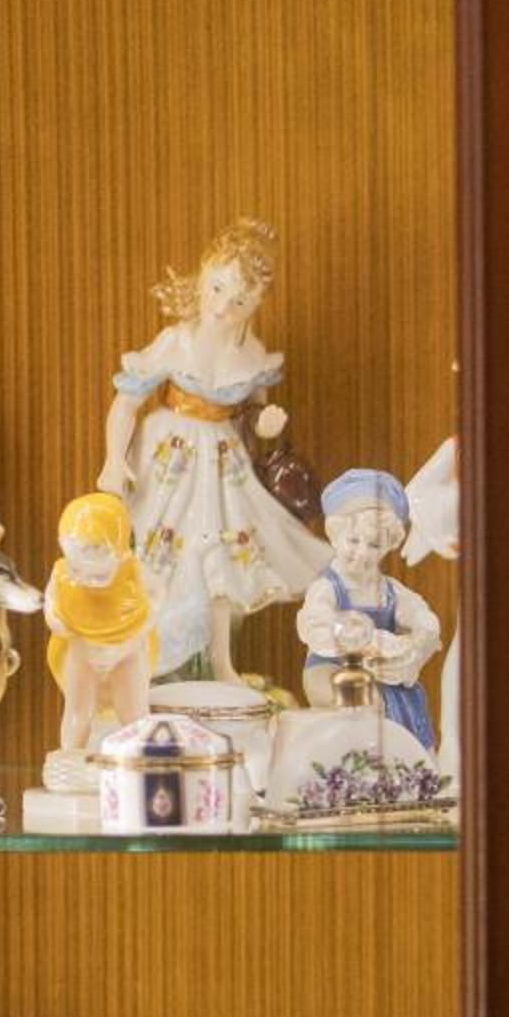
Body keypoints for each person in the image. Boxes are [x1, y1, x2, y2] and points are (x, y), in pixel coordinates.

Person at [97, 217, 330, 683]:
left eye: (239, 300)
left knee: (221, 558)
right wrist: (113, 460)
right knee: (162, 553)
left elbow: (253, 416)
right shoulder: (176, 342)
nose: (223, 307)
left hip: (223, 462)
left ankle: (218, 664)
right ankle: (151, 662)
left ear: (258, 302)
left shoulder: (253, 354)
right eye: (217, 289)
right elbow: (126, 403)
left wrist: (264, 423)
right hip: (170, 457)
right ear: (203, 277)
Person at [294, 469, 445, 750]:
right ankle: (360, 765)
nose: (362, 552)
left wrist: (416, 646)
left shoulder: (389, 590)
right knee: (364, 700)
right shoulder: (327, 587)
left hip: (382, 674)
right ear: (335, 535)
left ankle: (406, 764)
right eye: (353, 541)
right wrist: (376, 642)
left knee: (409, 696)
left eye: (374, 544)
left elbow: (423, 618)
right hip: (330, 670)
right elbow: (318, 626)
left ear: (388, 546)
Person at [41, 491, 163, 782]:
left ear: (119, 552)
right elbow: (51, 607)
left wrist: (128, 642)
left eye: (97, 574)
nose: (86, 579)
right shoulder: (61, 574)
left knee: (133, 712)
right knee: (77, 711)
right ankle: (71, 762)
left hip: (127, 653)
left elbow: (157, 597)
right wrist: (59, 622)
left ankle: (137, 765)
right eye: (77, 569)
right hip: (82, 653)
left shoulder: (135, 571)